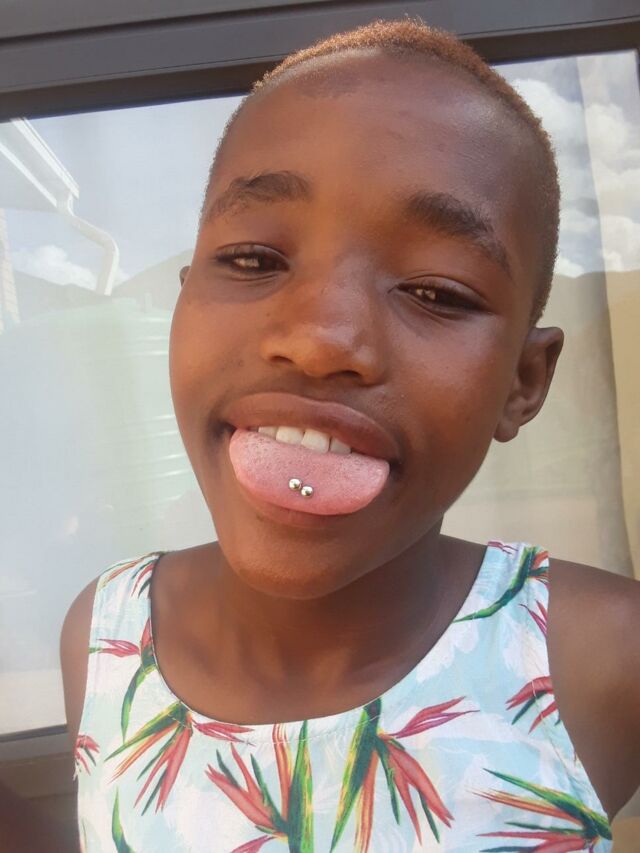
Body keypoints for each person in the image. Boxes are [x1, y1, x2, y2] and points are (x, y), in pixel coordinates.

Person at [59, 17, 639, 852]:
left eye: (437, 292)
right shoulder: (105, 636)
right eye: (254, 259)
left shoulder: (605, 656)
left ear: (523, 380)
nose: (321, 338)